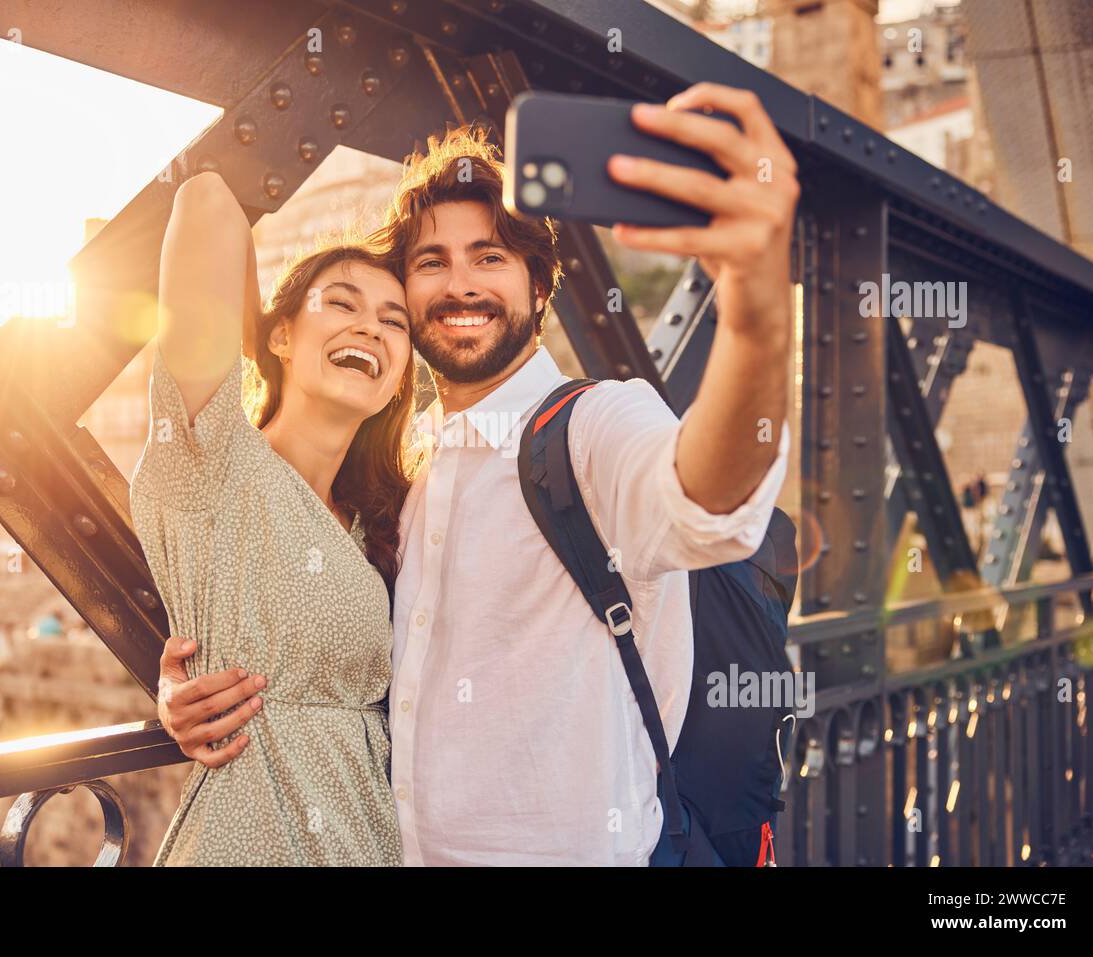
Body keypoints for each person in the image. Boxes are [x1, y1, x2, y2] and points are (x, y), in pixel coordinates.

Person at [157, 82, 799, 865]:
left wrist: (757, 315)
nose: (460, 284)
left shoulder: (595, 427)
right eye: (431, 263)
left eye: (488, 257)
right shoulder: (406, 484)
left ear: (538, 285)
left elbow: (705, 500)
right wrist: (188, 689)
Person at [130, 170, 417, 865]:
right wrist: (259, 342)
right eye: (341, 303)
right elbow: (207, 202)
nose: (368, 327)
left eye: (393, 320)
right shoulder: (214, 456)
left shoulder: (379, 524)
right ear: (279, 335)